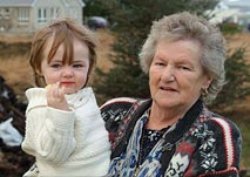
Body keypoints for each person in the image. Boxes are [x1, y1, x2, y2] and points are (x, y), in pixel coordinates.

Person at [101, 12, 242, 177]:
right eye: (160, 63)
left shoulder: (214, 133)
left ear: (207, 79)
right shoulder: (115, 113)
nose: (167, 76)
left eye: (183, 67)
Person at [21, 19, 110, 177]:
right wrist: (60, 113)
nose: (68, 73)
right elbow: (54, 156)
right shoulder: (41, 108)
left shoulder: (82, 97)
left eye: (77, 65)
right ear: (39, 67)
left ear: (89, 65)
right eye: (56, 65)